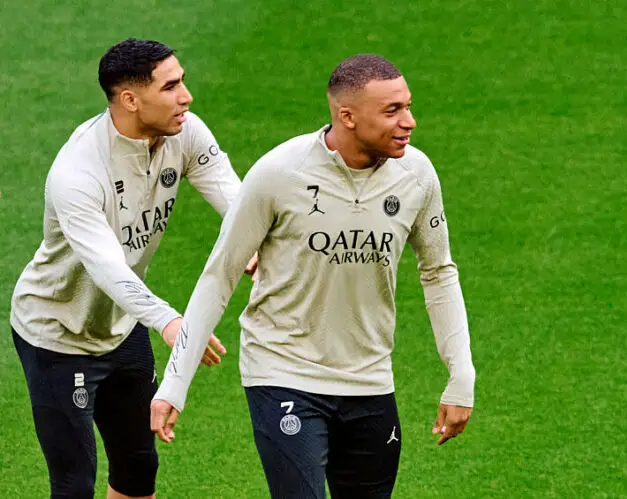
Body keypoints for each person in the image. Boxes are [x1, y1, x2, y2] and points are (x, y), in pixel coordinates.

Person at [151, 54, 476, 498]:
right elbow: (219, 275)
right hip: (282, 371)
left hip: (369, 379)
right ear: (347, 116)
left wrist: (462, 374)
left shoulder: (416, 175)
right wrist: (175, 384)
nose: (409, 122)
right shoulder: (279, 173)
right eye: (392, 111)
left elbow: (439, 272)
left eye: (408, 106)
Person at [10, 38, 252, 499]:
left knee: (138, 466)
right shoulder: (77, 174)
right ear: (130, 100)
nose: (187, 97)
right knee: (74, 482)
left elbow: (238, 203)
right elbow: (107, 268)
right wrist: (168, 320)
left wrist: (253, 246)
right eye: (172, 86)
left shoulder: (186, 132)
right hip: (57, 335)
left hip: (121, 327)